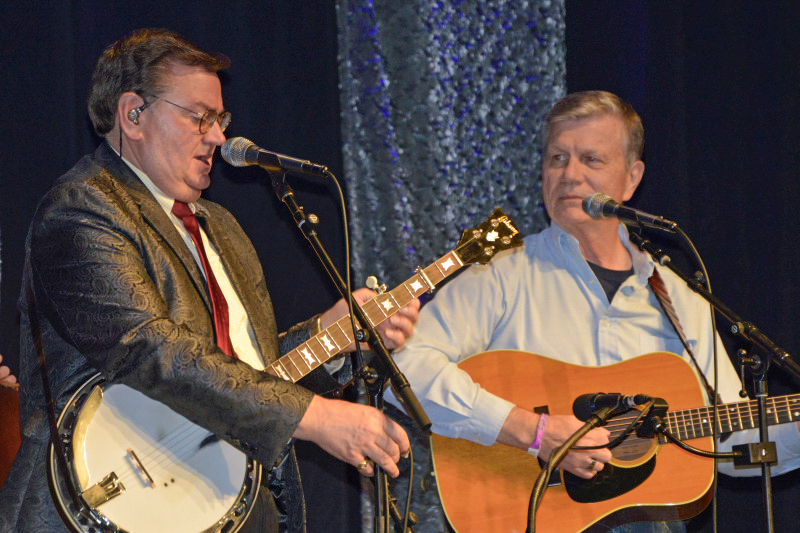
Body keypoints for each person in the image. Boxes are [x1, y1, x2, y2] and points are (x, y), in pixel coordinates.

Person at [0, 28, 419, 533]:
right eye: (200, 116)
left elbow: (247, 371)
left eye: (220, 119)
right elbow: (151, 349)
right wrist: (318, 417)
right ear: (133, 115)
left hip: (234, 506)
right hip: (100, 509)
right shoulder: (83, 210)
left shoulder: (221, 227)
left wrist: (330, 337)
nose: (219, 137)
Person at [386, 90, 800, 532]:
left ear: (631, 177)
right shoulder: (500, 275)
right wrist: (533, 432)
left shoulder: (678, 295)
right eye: (557, 158)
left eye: (591, 159)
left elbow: (732, 439)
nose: (569, 174)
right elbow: (403, 370)